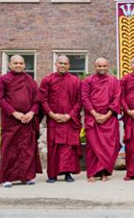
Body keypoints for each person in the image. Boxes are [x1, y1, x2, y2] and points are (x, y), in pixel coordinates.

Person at [0, 55, 42, 187]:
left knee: (27, 148)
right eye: (15, 63)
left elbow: (38, 99)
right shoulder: (3, 80)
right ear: (10, 65)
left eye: (21, 63)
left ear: (25, 65)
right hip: (11, 121)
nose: (18, 65)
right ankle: (7, 178)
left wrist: (31, 112)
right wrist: (15, 113)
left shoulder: (30, 80)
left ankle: (27, 177)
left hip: (27, 120)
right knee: (9, 148)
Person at [39, 55, 82, 183]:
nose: (63, 66)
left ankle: (68, 173)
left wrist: (70, 115)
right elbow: (43, 99)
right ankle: (52, 174)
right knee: (53, 147)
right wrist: (51, 114)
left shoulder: (75, 81)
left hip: (69, 120)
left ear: (69, 66)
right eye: (60, 63)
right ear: (56, 64)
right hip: (54, 120)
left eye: (65, 64)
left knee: (68, 147)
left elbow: (79, 101)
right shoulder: (47, 80)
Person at [81, 58, 121, 182]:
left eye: (104, 65)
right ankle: (92, 173)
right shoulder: (88, 80)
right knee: (92, 147)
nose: (102, 68)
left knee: (108, 147)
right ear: (95, 67)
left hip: (109, 119)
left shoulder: (114, 80)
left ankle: (104, 172)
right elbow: (85, 98)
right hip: (93, 118)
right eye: (99, 66)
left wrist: (107, 115)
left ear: (108, 66)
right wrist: (95, 114)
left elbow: (117, 98)